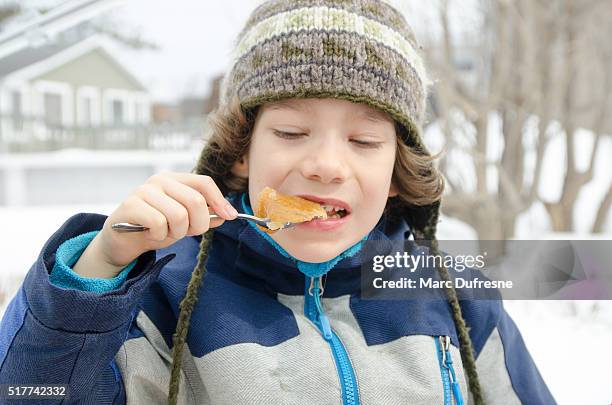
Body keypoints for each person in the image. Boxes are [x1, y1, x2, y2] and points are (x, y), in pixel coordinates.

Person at [0, 1, 555, 404]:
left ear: (394, 174)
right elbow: (28, 392)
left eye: (363, 141)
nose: (327, 164)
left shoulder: (457, 301)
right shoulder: (160, 300)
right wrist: (98, 270)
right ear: (240, 153)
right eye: (291, 132)